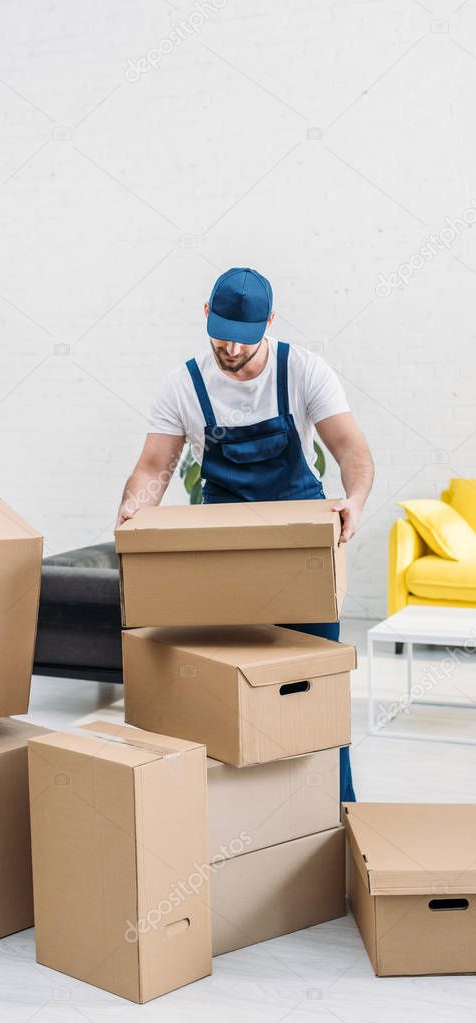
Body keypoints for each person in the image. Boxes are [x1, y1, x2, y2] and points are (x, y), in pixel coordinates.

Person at [117, 267, 374, 802]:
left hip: (299, 557)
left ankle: (335, 811)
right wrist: (133, 515)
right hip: (224, 555)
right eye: (222, 332)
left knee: (314, 689)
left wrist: (353, 499)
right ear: (205, 314)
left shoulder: (301, 370)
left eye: (246, 337)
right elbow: (153, 468)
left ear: (270, 323)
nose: (231, 347)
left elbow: (352, 450)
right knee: (221, 692)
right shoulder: (183, 385)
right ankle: (234, 814)